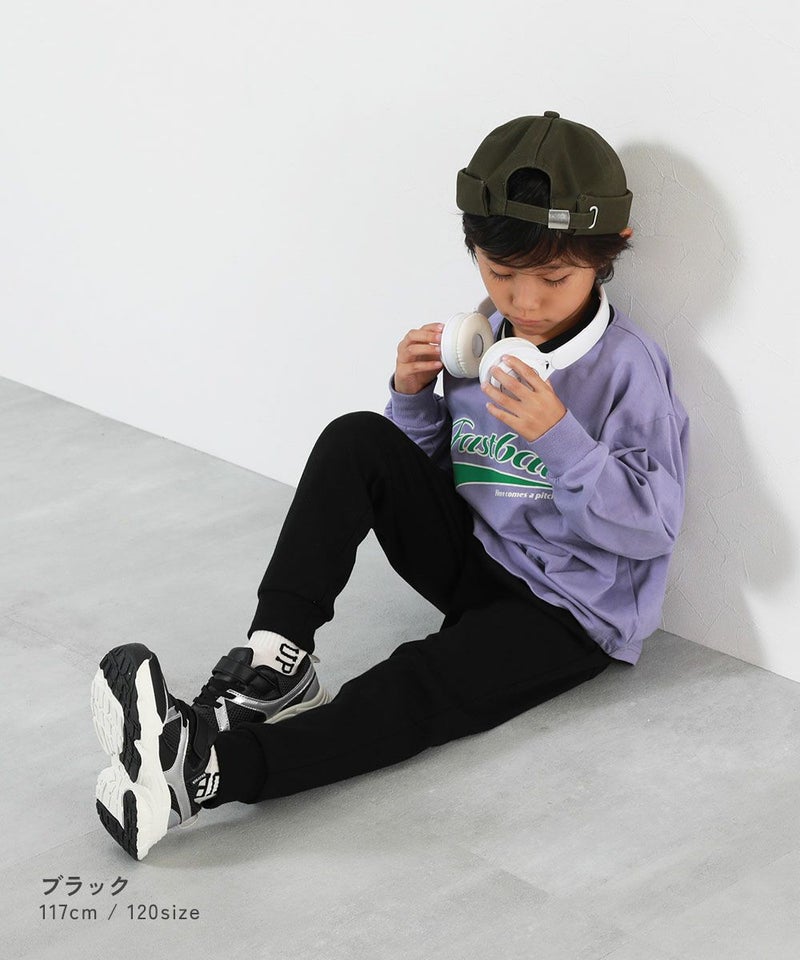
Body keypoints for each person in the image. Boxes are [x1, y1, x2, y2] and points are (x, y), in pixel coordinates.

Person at [91, 111, 689, 860]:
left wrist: (561, 438)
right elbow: (436, 473)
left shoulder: (630, 369)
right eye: (501, 274)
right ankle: (275, 660)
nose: (525, 302)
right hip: (479, 560)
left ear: (609, 253)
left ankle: (203, 773)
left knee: (418, 682)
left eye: (553, 279)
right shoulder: (481, 338)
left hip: (569, 611)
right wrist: (411, 399)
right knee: (356, 438)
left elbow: (651, 530)